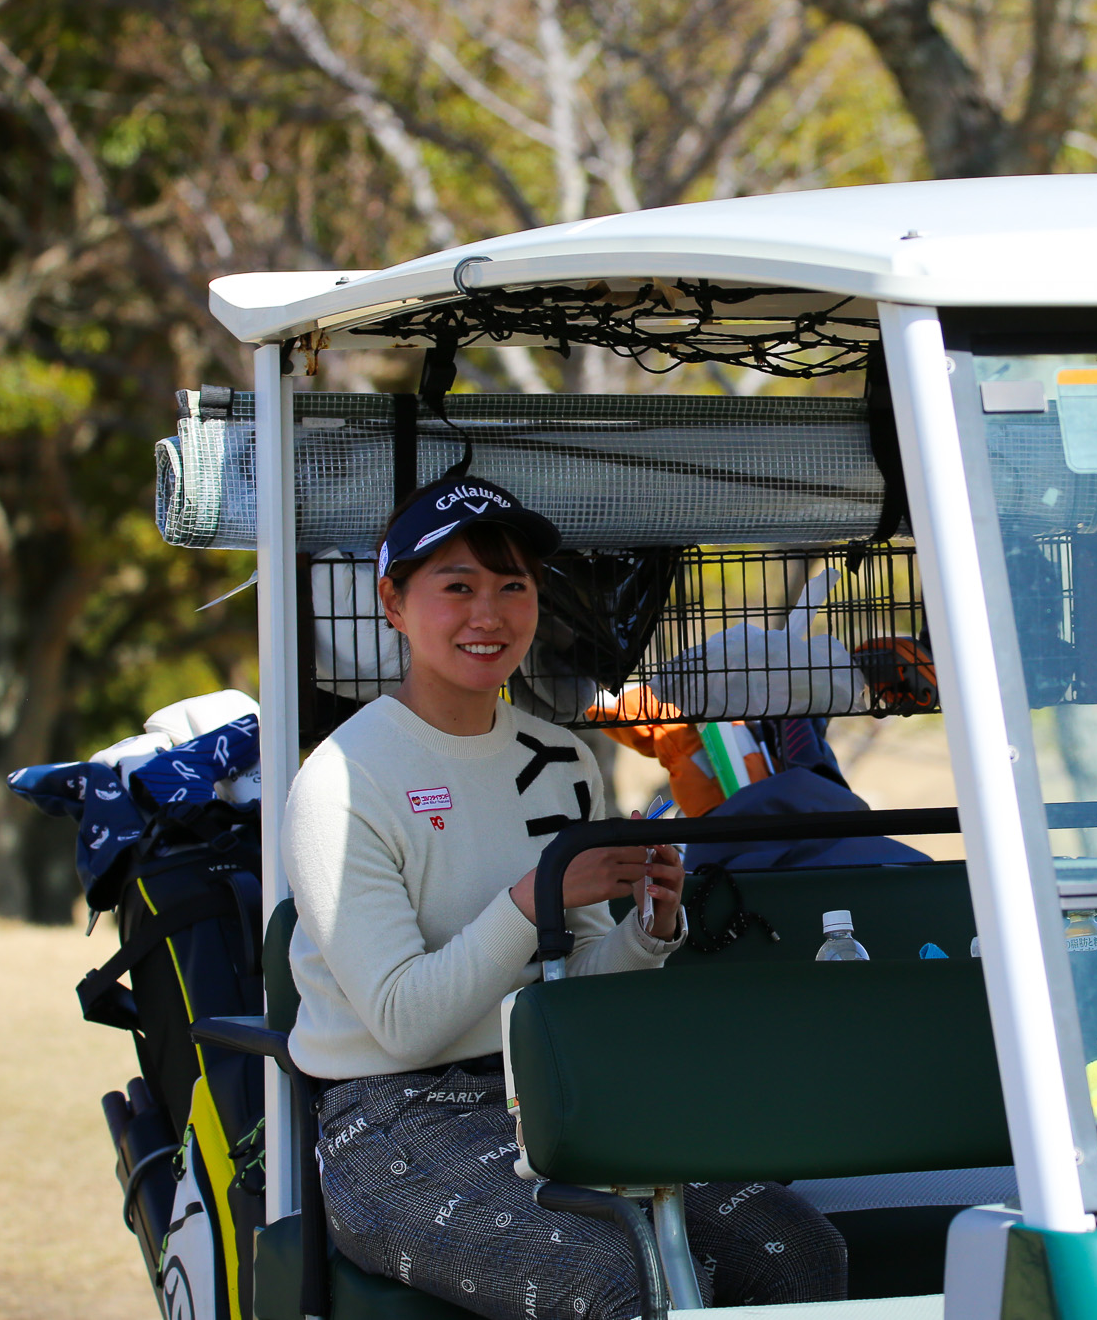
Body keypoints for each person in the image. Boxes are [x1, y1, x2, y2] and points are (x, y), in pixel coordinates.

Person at [283, 474, 847, 1320]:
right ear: (394, 604)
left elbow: (575, 989)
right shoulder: (340, 782)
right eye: (458, 586)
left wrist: (651, 929)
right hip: (391, 1122)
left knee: (799, 1248)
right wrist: (530, 899)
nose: (490, 614)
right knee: (613, 1275)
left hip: (557, 1092)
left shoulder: (560, 757)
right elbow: (402, 1022)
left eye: (515, 586)